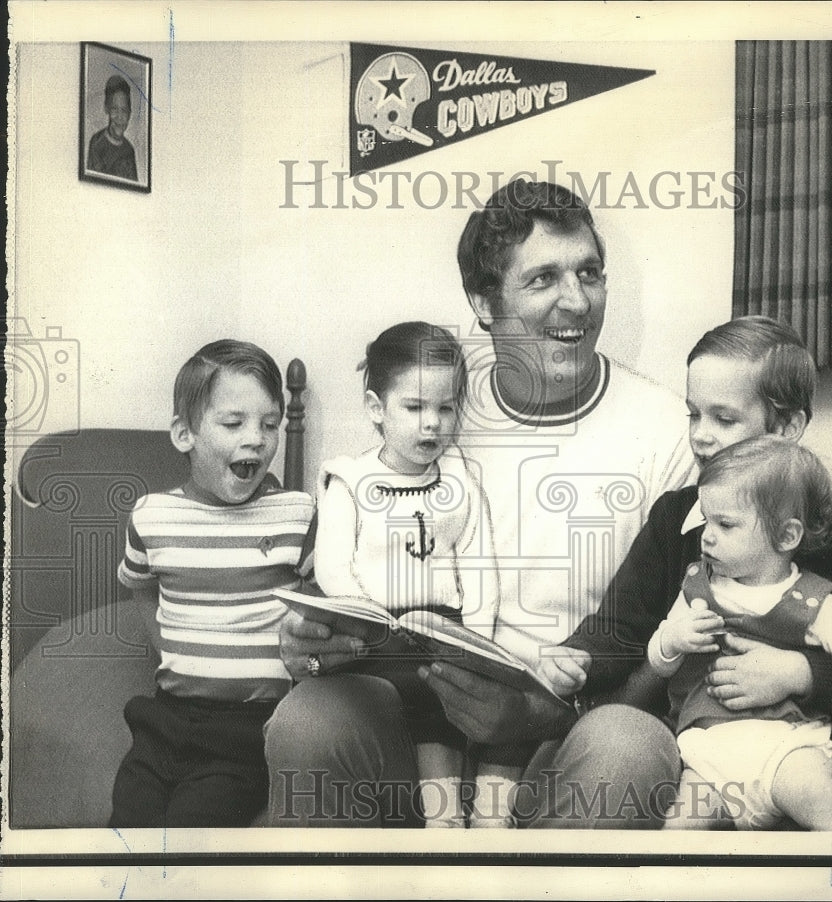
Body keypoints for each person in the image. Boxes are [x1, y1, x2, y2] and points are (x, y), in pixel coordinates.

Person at [264, 179, 697, 827]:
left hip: (562, 736)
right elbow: (340, 562)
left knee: (628, 748)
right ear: (482, 302)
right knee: (309, 720)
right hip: (419, 725)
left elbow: (681, 637)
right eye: (543, 279)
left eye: (589, 273)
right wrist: (309, 642)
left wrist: (549, 712)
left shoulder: (666, 430)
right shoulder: (435, 409)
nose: (576, 301)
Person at [550, 316, 832, 830]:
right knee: (635, 774)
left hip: (800, 751)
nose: (700, 436)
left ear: (787, 428)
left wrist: (798, 673)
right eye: (694, 414)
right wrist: (579, 655)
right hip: (698, 745)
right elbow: (621, 625)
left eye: (723, 419)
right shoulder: (673, 518)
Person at [311, 321, 518, 828]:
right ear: (376, 409)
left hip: (443, 628)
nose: (433, 425)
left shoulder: (460, 481)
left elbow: (478, 565)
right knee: (387, 694)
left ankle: (446, 818)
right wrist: (370, 623)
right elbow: (333, 566)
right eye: (415, 408)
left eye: (446, 408)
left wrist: (477, 643)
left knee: (444, 696)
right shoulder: (351, 481)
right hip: (374, 630)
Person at [109, 340, 314, 827]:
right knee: (127, 824)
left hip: (247, 730)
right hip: (165, 717)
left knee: (192, 830)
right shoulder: (153, 516)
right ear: (185, 434)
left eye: (270, 425)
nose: (258, 439)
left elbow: (324, 602)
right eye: (233, 423)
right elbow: (139, 585)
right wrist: (166, 647)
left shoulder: (297, 515)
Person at [87, 74, 138, 180]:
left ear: (129, 114)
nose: (119, 117)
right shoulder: (97, 143)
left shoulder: (129, 150)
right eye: (115, 109)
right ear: (107, 109)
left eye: (124, 111)